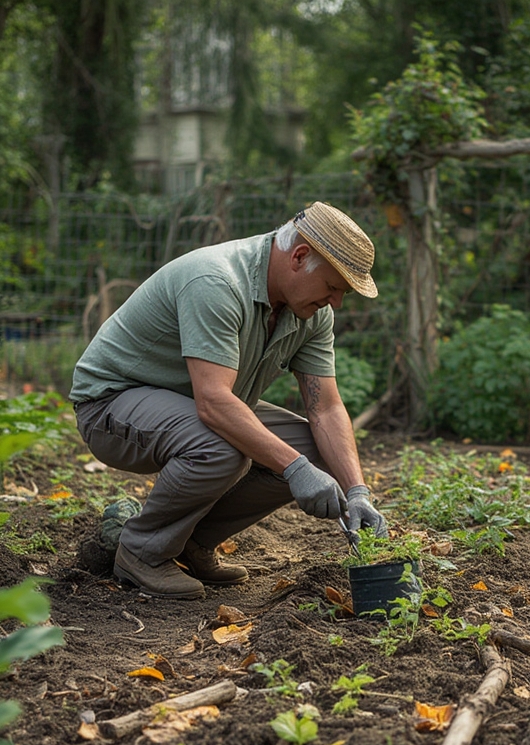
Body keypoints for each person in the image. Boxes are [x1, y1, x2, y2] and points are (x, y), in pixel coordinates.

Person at [70, 201, 388, 599]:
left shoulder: (310, 313)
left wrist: (357, 491)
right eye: (333, 287)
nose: (337, 302)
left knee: (312, 448)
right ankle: (142, 551)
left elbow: (325, 406)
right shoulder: (217, 281)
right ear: (300, 256)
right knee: (224, 447)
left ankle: (191, 542)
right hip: (112, 404)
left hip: (190, 405)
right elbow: (215, 403)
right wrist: (294, 469)